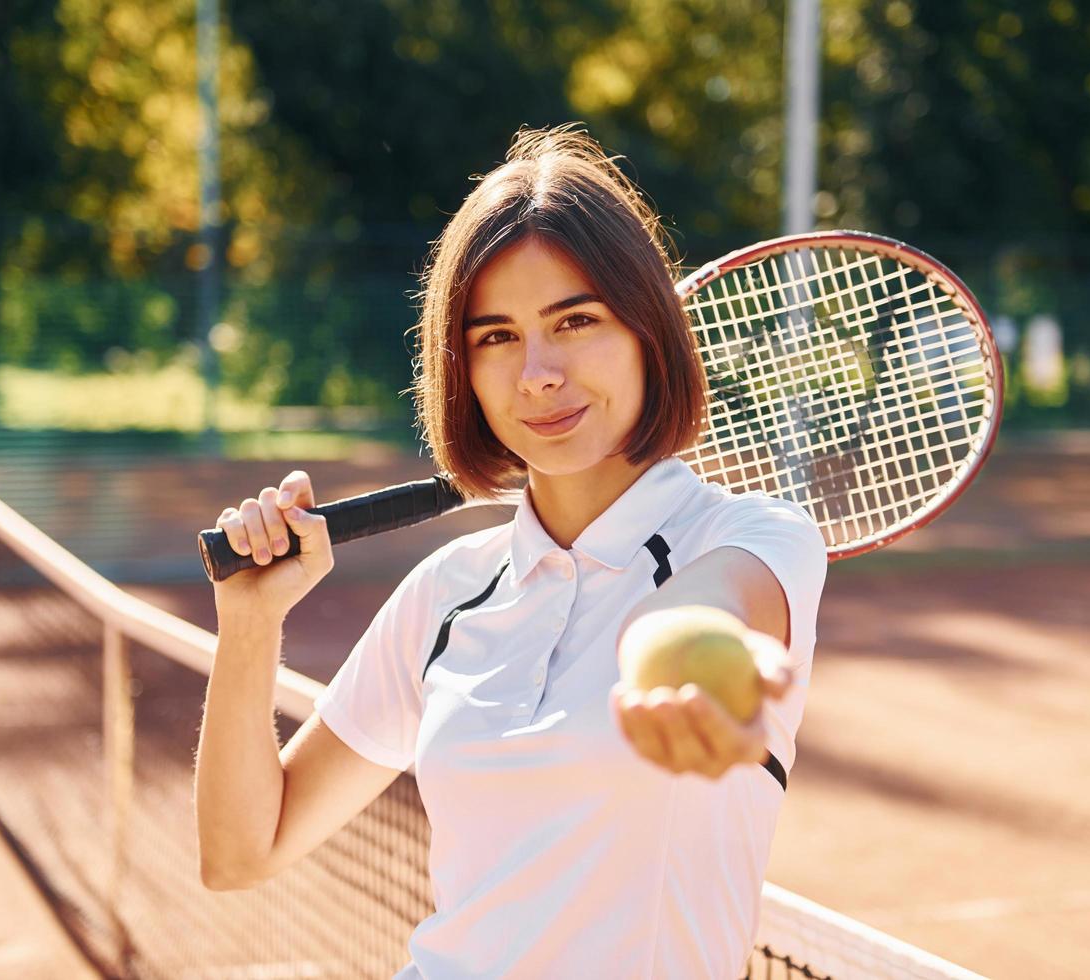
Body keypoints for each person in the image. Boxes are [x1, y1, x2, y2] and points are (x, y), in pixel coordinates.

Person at [194, 125, 828, 979]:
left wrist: (673, 670)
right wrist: (249, 625)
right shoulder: (447, 594)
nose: (537, 372)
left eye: (576, 320)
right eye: (496, 335)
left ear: (649, 334)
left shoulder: (754, 540)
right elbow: (241, 853)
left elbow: (700, 610)